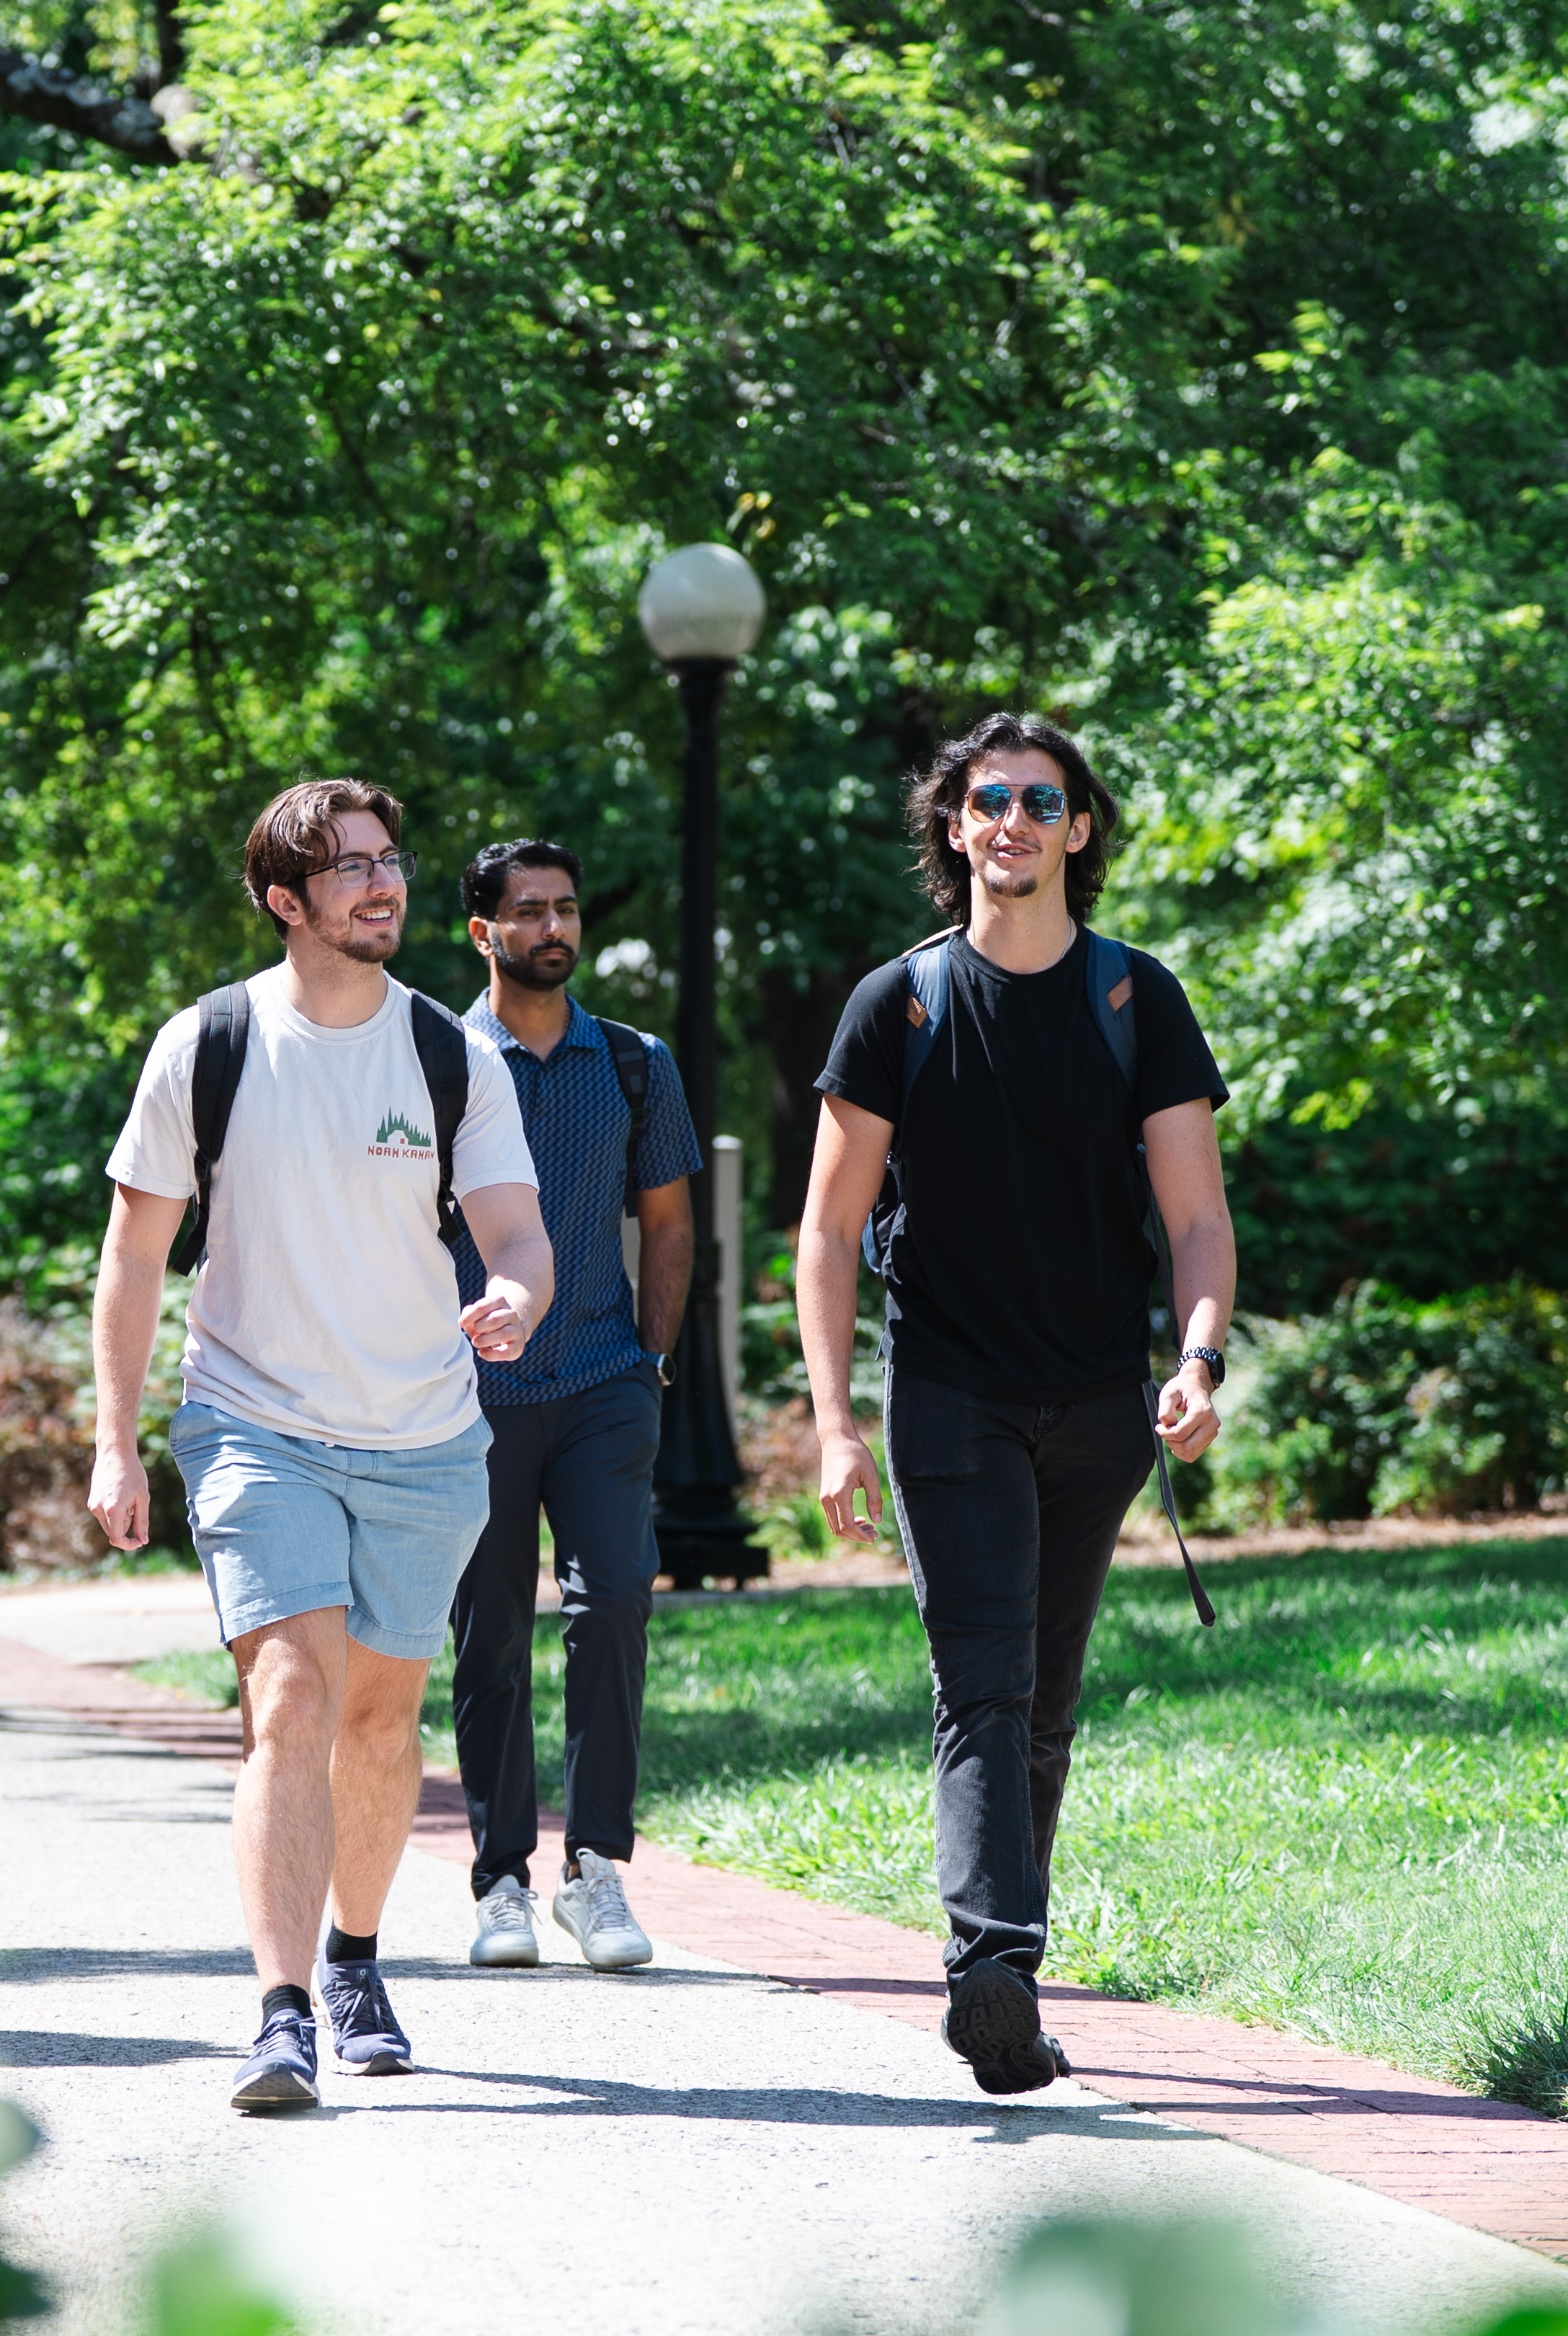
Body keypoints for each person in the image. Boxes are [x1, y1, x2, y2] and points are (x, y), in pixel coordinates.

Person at [88, 781, 557, 2113]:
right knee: (291, 1695)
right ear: (287, 901)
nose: (381, 885)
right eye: (348, 870)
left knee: (380, 1716)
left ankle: (357, 1958)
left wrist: (515, 1295)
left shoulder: (447, 1053)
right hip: (255, 1423)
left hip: (422, 1433)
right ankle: (282, 2010)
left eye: (389, 862)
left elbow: (516, 1232)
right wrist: (115, 1439)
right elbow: (133, 1256)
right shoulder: (212, 1044)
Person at [790, 714, 1236, 2097]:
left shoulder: (1133, 999)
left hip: (1100, 1402)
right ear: (955, 825)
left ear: (1078, 830)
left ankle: (1004, 1979)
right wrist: (832, 1422)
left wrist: (1201, 1359)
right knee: (982, 1678)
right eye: (991, 800)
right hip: (948, 1394)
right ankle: (995, 1956)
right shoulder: (900, 1004)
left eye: (1044, 801)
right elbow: (825, 1226)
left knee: (1041, 1696)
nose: (1015, 822)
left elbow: (1198, 1216)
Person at [443, 840, 701, 1973]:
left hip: (602, 1380)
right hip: (468, 1397)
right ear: (483, 932)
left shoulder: (637, 1062)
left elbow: (672, 1219)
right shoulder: (434, 1060)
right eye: (528, 910)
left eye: (566, 908)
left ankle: (595, 1869)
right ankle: (501, 1878)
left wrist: (651, 1356)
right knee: (487, 1632)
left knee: (613, 1610)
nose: (553, 926)